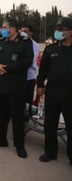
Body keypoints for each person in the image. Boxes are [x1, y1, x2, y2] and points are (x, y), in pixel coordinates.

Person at [0, 19, 33, 159]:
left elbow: (27, 61)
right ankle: (0, 140)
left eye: (4, 27)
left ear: (13, 29)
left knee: (17, 118)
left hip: (15, 87)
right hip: (0, 85)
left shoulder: (25, 42)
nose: (2, 30)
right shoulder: (1, 41)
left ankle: (20, 146)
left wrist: (5, 69)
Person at [36, 17, 72, 165]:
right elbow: (43, 70)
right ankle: (50, 152)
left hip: (70, 94)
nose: (58, 32)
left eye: (61, 30)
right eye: (57, 29)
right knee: (50, 124)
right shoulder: (51, 49)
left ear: (70, 32)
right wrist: (40, 85)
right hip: (53, 92)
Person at [21, 25, 40, 118]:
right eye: (21, 30)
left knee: (27, 100)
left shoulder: (35, 45)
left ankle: (26, 119)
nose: (22, 32)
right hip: (18, 76)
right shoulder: (19, 42)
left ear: (30, 33)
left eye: (25, 31)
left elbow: (31, 60)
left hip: (29, 76)